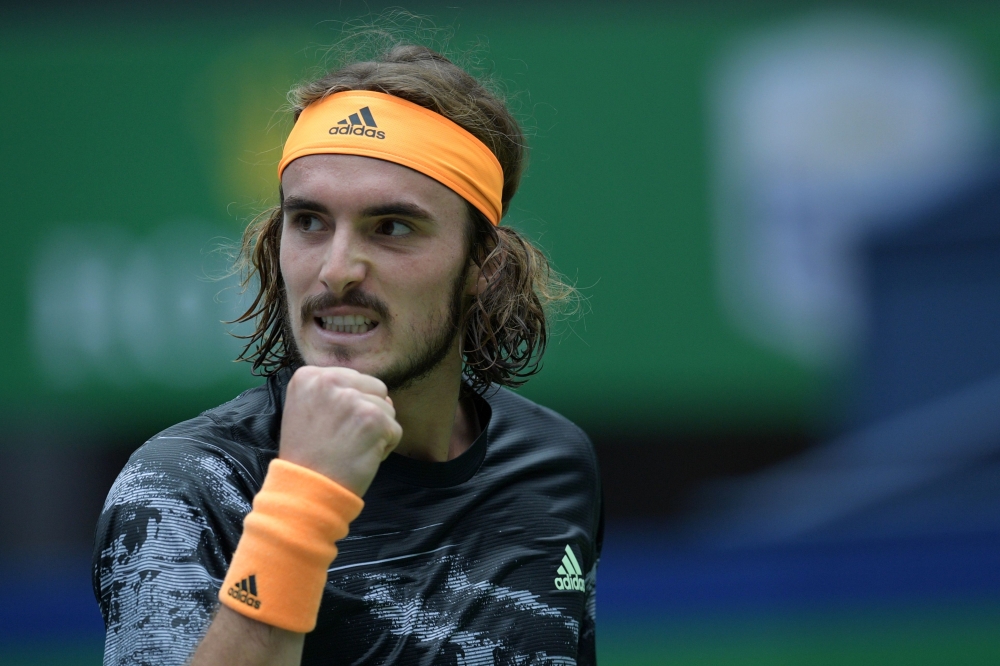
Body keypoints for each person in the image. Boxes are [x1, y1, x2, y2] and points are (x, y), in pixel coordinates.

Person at [93, 41, 602, 666]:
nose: (336, 271)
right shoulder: (185, 489)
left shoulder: (557, 465)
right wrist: (304, 505)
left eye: (391, 227)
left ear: (483, 268)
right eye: (309, 222)